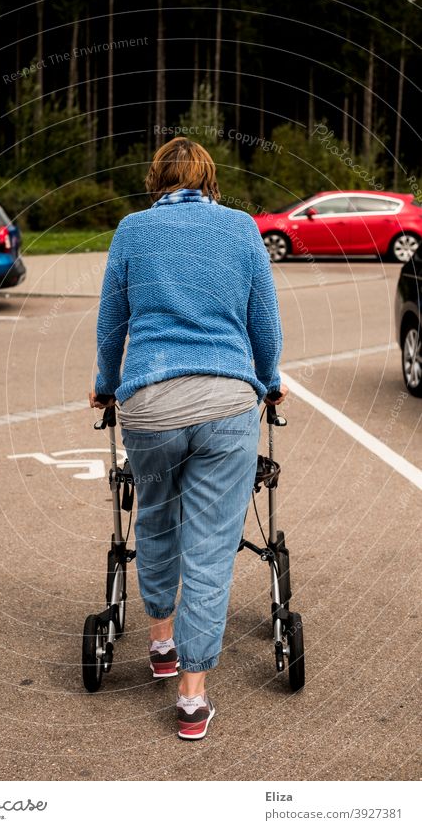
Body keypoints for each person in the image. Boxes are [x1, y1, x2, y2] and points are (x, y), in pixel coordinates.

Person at [90, 137, 286, 740]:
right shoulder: (242, 229)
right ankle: (192, 697)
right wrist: (270, 382)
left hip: (149, 403)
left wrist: (106, 385)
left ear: (158, 179)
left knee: (153, 519)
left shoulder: (131, 231)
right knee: (208, 548)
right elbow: (264, 323)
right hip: (227, 402)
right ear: (209, 179)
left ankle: (161, 643)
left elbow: (112, 321)